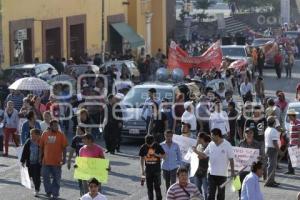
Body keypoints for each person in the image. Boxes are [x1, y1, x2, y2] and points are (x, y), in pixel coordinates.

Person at [196, 128, 235, 200]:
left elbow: (231, 159)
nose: (211, 137)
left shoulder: (227, 144)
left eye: (212, 136)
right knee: (210, 195)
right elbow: (204, 155)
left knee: (220, 196)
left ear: (217, 136)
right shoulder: (211, 144)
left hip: (222, 175)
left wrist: (232, 172)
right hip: (211, 174)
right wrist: (196, 151)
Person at [39, 119, 68, 199]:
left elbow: (64, 147)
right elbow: (41, 147)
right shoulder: (45, 134)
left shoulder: (61, 135)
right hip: (46, 161)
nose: (56, 127)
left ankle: (55, 193)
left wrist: (64, 158)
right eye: (54, 125)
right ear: (50, 126)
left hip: (57, 161)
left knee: (56, 178)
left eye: (57, 125)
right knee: (45, 177)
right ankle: (48, 191)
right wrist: (39, 157)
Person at [238, 127, 262, 198]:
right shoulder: (241, 143)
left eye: (250, 133)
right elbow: (237, 155)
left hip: (252, 170)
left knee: (252, 190)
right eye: (247, 133)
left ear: (253, 134)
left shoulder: (257, 144)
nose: (248, 134)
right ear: (244, 134)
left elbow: (261, 156)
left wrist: (259, 157)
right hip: (242, 169)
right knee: (241, 188)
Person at [139, 134, 165, 200]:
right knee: (149, 188)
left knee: (157, 187)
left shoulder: (157, 146)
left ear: (153, 141)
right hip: (148, 171)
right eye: (148, 145)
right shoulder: (143, 147)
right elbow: (141, 158)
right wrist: (142, 170)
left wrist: (156, 154)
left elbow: (164, 156)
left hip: (157, 171)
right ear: (145, 142)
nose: (150, 146)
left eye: (151, 144)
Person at [20, 129, 42, 197]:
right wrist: (23, 161)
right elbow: (25, 152)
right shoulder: (28, 141)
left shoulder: (41, 141)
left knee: (36, 177)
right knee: (30, 175)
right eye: (30, 134)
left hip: (38, 163)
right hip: (30, 163)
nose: (31, 135)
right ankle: (37, 186)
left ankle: (37, 189)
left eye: (33, 134)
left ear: (38, 135)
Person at [264, 116, 284, 187]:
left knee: (272, 165)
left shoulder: (267, 129)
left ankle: (271, 180)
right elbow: (275, 142)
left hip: (268, 148)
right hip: (272, 149)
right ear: (274, 122)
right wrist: (280, 151)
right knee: (272, 166)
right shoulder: (273, 130)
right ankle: (269, 181)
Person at [192, 132, 211, 200]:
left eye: (198, 138)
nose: (197, 139)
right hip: (197, 171)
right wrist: (196, 146)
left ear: (202, 138)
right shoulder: (199, 146)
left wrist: (195, 151)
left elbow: (203, 156)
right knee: (198, 190)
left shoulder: (208, 146)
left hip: (205, 172)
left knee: (206, 191)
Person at [285, 109, 300, 175]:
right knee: (290, 156)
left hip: (296, 143)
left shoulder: (298, 122)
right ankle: (290, 170)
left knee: (294, 157)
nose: (288, 117)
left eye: (289, 116)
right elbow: (290, 133)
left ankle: (291, 170)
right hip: (291, 142)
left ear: (293, 116)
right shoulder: (291, 123)